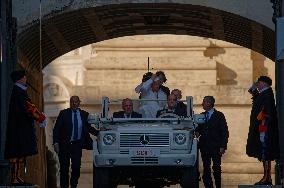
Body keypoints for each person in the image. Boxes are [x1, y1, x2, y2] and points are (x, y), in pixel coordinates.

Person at [5, 70, 47, 185]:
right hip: (18, 129)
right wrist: (40, 117)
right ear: (19, 79)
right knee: (16, 153)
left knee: (20, 154)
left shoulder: (20, 91)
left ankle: (18, 177)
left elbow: (29, 106)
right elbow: (28, 108)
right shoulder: (18, 92)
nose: (25, 79)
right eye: (24, 78)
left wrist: (39, 116)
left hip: (20, 128)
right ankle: (14, 178)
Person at [53, 96, 99, 188]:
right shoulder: (64, 113)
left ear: (79, 103)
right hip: (64, 145)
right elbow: (57, 129)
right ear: (70, 103)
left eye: (76, 102)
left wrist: (100, 134)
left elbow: (89, 128)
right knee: (64, 169)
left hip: (77, 145)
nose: (74, 103)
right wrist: (56, 142)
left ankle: (73, 185)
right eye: (72, 102)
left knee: (76, 168)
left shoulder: (84, 114)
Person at [246, 76, 279, 185]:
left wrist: (263, 129)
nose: (257, 84)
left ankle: (267, 177)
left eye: (259, 83)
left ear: (264, 83)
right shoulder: (263, 93)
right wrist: (254, 85)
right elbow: (252, 91)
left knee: (265, 153)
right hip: (261, 128)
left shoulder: (267, 94)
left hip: (264, 129)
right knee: (263, 153)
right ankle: (266, 177)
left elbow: (267, 114)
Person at [195, 96, 229, 188]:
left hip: (216, 146)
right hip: (204, 146)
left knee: (217, 167)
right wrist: (195, 131)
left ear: (209, 103)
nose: (202, 104)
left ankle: (218, 185)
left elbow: (224, 131)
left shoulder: (219, 115)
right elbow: (198, 129)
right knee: (206, 167)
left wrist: (223, 146)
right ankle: (208, 186)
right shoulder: (201, 115)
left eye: (204, 102)